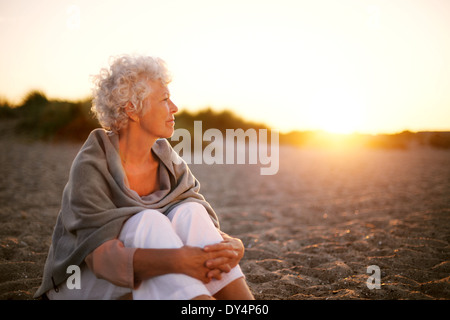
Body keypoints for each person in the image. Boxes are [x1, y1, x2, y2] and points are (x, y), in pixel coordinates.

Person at [34, 54, 254, 300]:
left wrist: (232, 245)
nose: (174, 107)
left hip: (145, 272)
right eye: (164, 99)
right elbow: (101, 259)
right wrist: (177, 261)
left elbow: (198, 226)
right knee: (148, 220)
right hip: (80, 282)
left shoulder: (166, 159)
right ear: (132, 109)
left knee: (191, 211)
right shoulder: (92, 164)